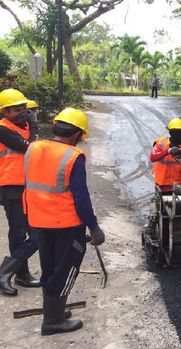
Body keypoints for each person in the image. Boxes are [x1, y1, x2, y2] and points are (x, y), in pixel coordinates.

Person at [24, 107, 105, 335]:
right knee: (66, 270)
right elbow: (81, 196)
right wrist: (94, 226)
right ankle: (53, 321)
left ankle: (54, 312)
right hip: (66, 224)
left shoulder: (33, 148)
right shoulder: (72, 156)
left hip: (39, 220)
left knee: (49, 268)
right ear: (77, 134)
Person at [0, 88, 40, 296]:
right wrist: (34, 128)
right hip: (11, 188)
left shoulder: (22, 127)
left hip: (28, 187)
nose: (22, 112)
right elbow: (30, 148)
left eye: (24, 108)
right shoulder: (3, 129)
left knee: (33, 233)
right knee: (19, 233)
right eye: (16, 109)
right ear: (5, 112)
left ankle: (19, 274)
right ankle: (8, 273)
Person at [150, 118, 181, 194]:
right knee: (163, 204)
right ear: (170, 132)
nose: (179, 134)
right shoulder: (161, 142)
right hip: (162, 183)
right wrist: (168, 151)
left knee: (178, 205)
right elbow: (153, 157)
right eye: (176, 132)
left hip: (178, 184)